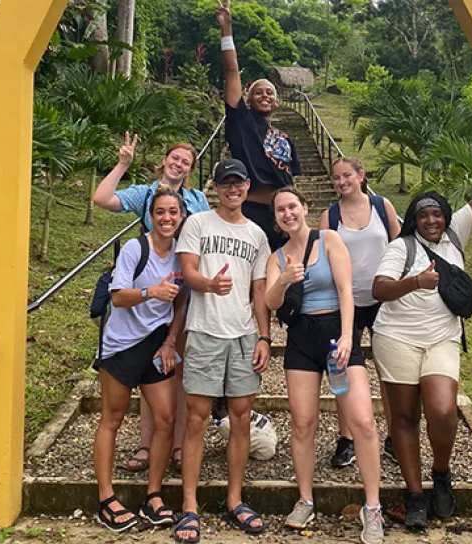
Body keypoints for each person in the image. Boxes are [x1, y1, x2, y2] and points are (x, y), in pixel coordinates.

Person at [371, 188, 472, 528]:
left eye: (437, 214)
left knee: (443, 410)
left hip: (442, 338)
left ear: (445, 216)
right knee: (404, 417)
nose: (431, 220)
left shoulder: (454, 235)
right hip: (397, 337)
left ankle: (441, 474)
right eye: (423, 215)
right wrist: (416, 281)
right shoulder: (401, 246)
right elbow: (379, 288)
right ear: (413, 219)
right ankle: (414, 494)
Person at [265, 186, 384, 544]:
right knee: (303, 423)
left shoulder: (329, 239)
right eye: (280, 210)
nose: (288, 213)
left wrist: (349, 336)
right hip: (301, 340)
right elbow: (271, 302)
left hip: (337, 333)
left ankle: (373, 507)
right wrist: (284, 280)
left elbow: (347, 290)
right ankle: (305, 498)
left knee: (362, 421)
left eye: (292, 206)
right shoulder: (277, 257)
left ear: (304, 207)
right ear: (276, 219)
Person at [93, 133, 209, 474]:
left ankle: (176, 445)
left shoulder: (198, 199)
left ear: (190, 170)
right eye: (174, 158)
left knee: (177, 369)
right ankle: (147, 445)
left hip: (182, 285)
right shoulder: (145, 193)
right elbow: (101, 198)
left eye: (186, 162)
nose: (178, 164)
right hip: (150, 288)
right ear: (164, 161)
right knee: (150, 372)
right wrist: (123, 164)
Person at [173, 159, 272, 543]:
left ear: (247, 187)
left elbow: (259, 291)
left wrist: (264, 337)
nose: (233, 189)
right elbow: (188, 272)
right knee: (197, 417)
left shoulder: (257, 235)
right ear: (215, 187)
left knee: (241, 416)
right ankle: (190, 505)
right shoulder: (197, 223)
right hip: (204, 330)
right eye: (225, 183)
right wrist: (208, 285)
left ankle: (235, 499)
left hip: (244, 333)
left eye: (238, 183)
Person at [92, 189, 189, 531]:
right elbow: (118, 297)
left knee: (165, 418)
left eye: (173, 212)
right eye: (160, 212)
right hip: (121, 345)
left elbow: (180, 303)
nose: (166, 218)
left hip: (156, 343)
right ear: (151, 215)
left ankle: (153, 494)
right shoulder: (136, 248)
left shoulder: (181, 253)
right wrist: (151, 292)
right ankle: (106, 497)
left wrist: (170, 341)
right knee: (112, 418)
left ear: (181, 216)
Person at [318, 157, 400, 469]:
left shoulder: (383, 206)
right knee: (343, 371)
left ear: (360, 175)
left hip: (383, 301)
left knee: (389, 370)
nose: (341, 182)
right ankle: (347, 437)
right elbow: (322, 257)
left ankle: (394, 436)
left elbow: (398, 246)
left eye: (347, 175)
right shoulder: (330, 215)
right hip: (345, 304)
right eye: (336, 178)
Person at [216, 0, 301, 250]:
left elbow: (292, 182)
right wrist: (226, 30)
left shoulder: (284, 139)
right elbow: (231, 71)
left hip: (282, 215)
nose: (264, 95)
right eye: (258, 92)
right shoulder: (241, 122)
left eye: (270, 93)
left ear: (276, 103)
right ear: (249, 100)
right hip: (250, 211)